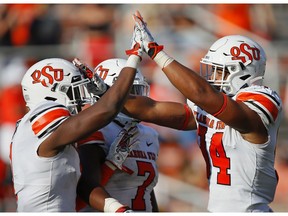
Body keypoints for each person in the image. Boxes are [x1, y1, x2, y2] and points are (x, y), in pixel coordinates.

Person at [121, 11, 283, 212]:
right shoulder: (211, 105)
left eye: (220, 70)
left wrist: (156, 52)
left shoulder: (264, 99)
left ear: (243, 72)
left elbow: (202, 94)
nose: (213, 76)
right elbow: (151, 109)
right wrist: (107, 96)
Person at [9, 34, 143, 212]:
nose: (81, 100)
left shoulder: (33, 129)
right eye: (76, 91)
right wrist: (134, 57)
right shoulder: (40, 116)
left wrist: (111, 164)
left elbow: (72, 202)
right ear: (53, 92)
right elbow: (107, 109)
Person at [76, 58, 159, 212]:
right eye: (129, 94)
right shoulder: (95, 130)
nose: (136, 101)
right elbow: (86, 186)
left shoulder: (149, 134)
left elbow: (146, 189)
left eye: (137, 93)